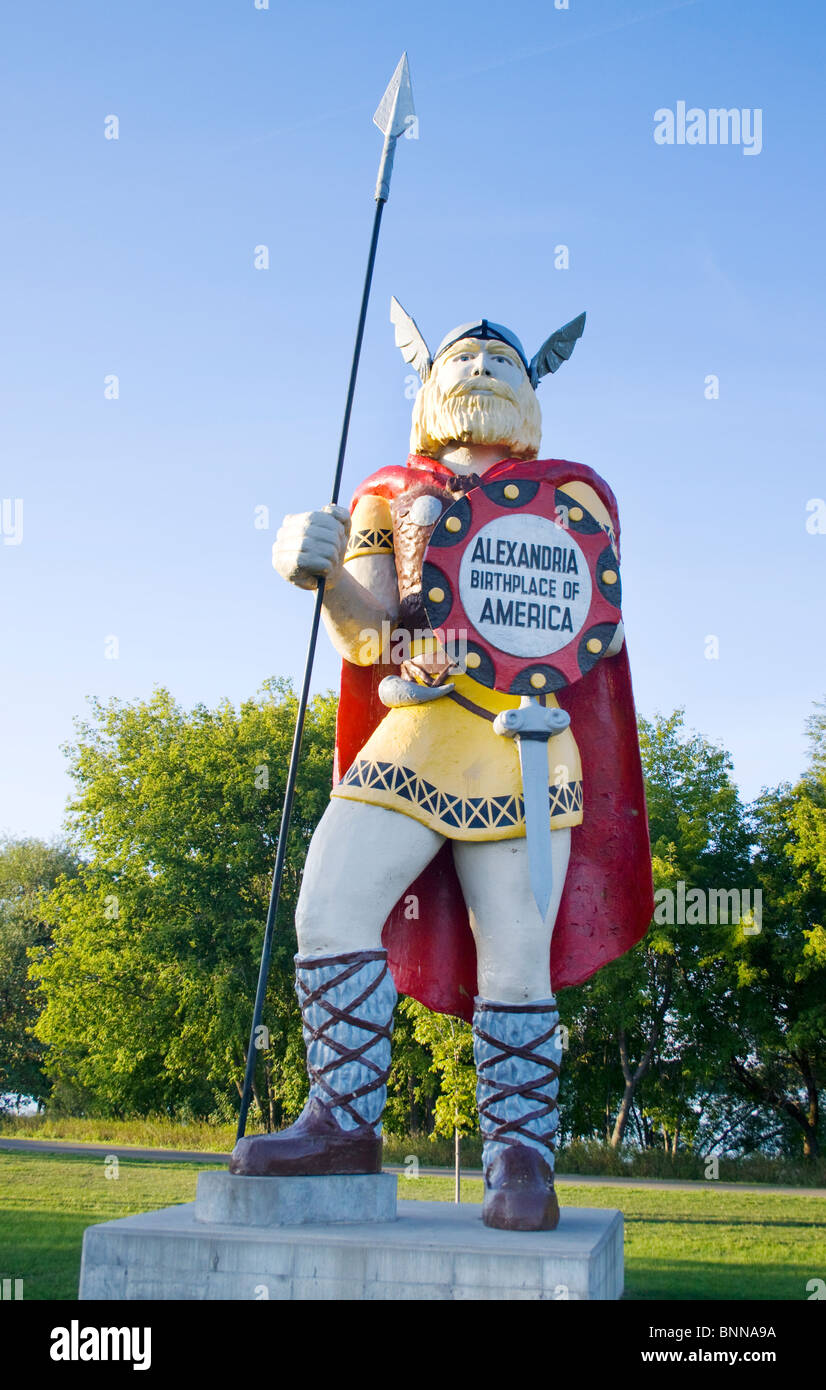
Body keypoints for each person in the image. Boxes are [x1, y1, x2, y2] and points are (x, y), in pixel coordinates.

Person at [230, 306, 653, 1231]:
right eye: (466, 354)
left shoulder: (573, 496)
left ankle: (521, 1155)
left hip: (524, 739)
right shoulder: (389, 493)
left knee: (517, 949)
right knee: (328, 907)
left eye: (506, 358)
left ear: (534, 391)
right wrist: (320, 573)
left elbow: (599, 622)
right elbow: (370, 635)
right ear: (426, 381)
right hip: (416, 729)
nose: (487, 366)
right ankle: (341, 1121)